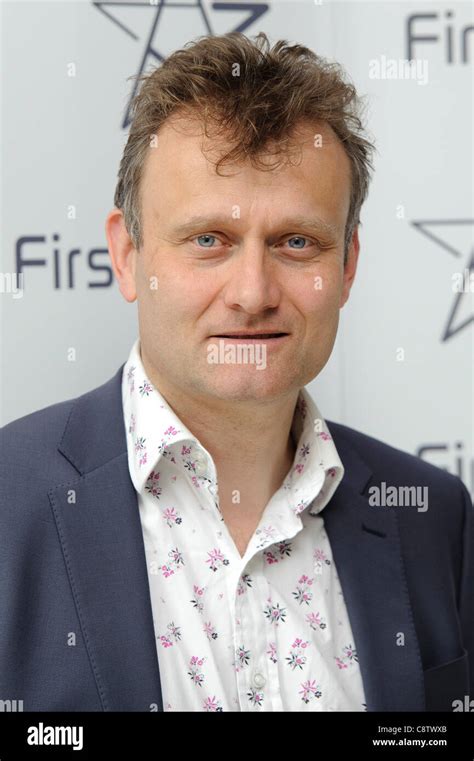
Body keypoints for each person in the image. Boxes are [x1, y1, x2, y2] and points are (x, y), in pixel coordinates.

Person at [0, 32, 472, 713]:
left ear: (347, 266)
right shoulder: (9, 502)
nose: (253, 292)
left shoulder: (434, 517)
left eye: (296, 242)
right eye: (208, 241)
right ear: (128, 255)